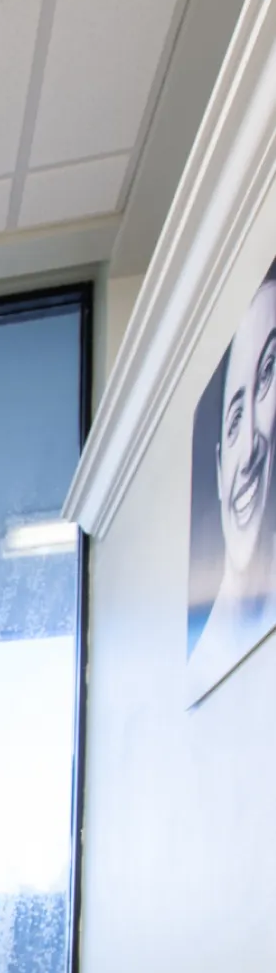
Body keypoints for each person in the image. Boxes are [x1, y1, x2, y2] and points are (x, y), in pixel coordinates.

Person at [189, 271, 276, 704]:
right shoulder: (203, 660)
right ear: (218, 466)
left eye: (267, 375)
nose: (251, 450)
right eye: (235, 417)